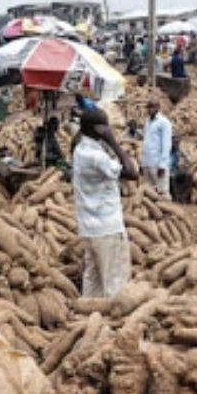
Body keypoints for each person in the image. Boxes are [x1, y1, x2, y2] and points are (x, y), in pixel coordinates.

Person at [71, 108, 140, 299]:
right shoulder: (95, 156)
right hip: (107, 228)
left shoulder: (80, 149)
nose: (109, 129)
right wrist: (113, 142)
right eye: (106, 126)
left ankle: (88, 319)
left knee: (93, 281)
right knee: (114, 282)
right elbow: (132, 173)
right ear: (98, 129)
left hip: (90, 228)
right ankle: (111, 324)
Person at [140, 98, 173, 199]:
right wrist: (142, 163)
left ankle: (167, 212)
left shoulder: (164, 122)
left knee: (162, 192)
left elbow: (166, 144)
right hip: (147, 162)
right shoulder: (147, 122)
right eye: (148, 107)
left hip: (157, 163)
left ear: (158, 108)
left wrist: (163, 165)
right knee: (149, 193)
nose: (149, 110)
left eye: (152, 107)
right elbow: (146, 143)